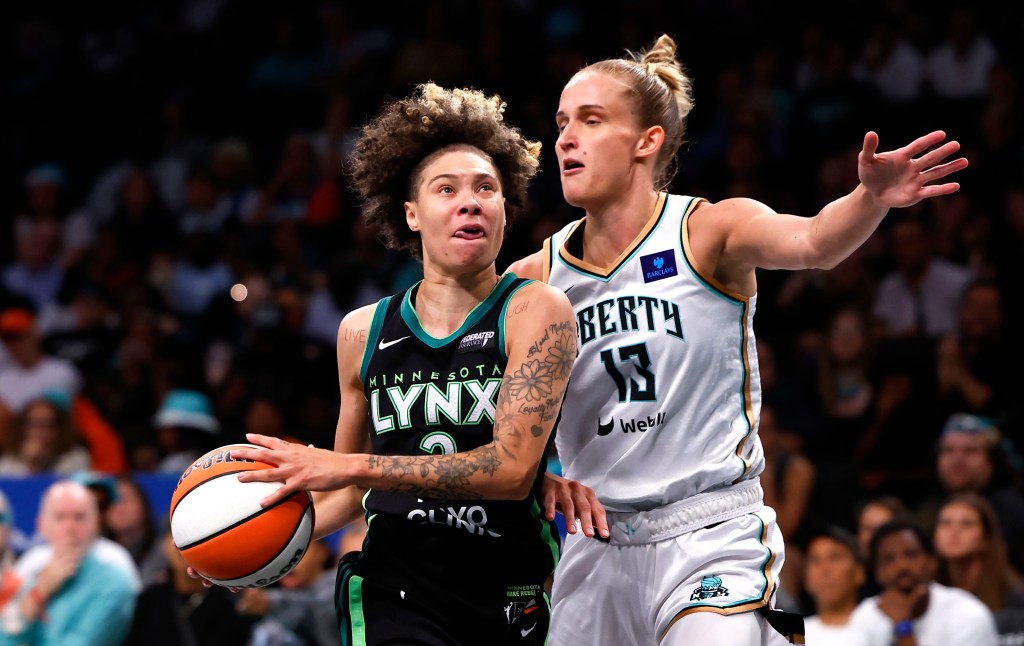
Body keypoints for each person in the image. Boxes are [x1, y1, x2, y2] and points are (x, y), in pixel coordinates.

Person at [505, 33, 968, 644]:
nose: (566, 137)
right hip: (595, 543)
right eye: (563, 122)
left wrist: (868, 199)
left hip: (709, 535)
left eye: (591, 121)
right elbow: (482, 405)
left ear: (649, 140)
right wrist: (536, 475)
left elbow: (814, 242)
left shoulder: (709, 230)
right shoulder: (533, 278)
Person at [225, 83, 582, 645]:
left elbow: (512, 474)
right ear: (411, 214)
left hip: (509, 589)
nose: (470, 201)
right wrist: (236, 546)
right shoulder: (361, 331)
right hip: (395, 586)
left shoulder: (537, 309)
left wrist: (352, 468)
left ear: (505, 213)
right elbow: (344, 492)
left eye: (486, 189)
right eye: (447, 189)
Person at [0, 480, 139, 645]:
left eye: (79, 517)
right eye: (60, 517)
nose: (70, 527)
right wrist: (39, 591)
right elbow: (6, 637)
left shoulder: (115, 579)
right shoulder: (35, 568)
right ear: (41, 525)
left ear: (96, 523)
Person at [850, 519, 997, 645]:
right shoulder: (864, 618)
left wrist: (903, 627)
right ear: (877, 572)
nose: (902, 566)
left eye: (911, 554)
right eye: (888, 559)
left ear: (931, 562)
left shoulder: (967, 614)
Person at [933, 493, 1024, 643]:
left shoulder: (1015, 600)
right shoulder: (924, 596)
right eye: (945, 523)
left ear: (986, 538)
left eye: (966, 524)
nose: (954, 531)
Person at [801, 525, 867, 646]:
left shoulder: (880, 629)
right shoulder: (786, 638)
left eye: (835, 558)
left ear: (859, 572)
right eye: (815, 560)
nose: (825, 569)